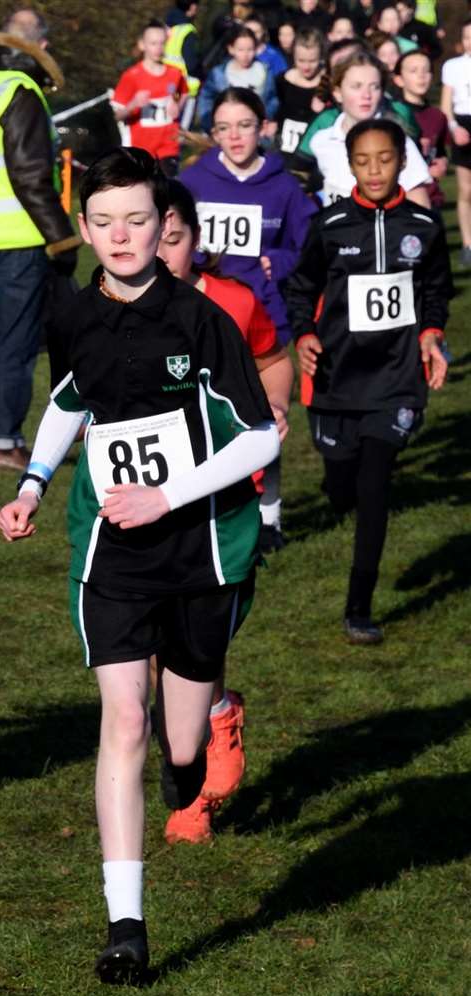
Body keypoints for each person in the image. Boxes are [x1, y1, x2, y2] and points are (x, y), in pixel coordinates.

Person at [0, 148, 279, 982]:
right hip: (109, 549)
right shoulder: (72, 316)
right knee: (123, 717)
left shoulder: (202, 322)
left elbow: (261, 435)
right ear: (85, 229)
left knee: (178, 747)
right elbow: (70, 400)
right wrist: (34, 483)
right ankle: (126, 923)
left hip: (200, 550)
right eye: (105, 220)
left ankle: (194, 753)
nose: (122, 234)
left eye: (139, 219)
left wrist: (169, 495)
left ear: (165, 229)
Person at [157, 178, 293, 842]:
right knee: (155, 650)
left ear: (196, 239)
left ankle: (212, 724)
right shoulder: (112, 310)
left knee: (194, 642)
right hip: (146, 506)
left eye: (173, 239)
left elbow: (272, 356)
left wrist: (277, 408)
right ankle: (194, 765)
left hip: (221, 508)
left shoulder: (233, 302)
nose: (159, 254)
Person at [286, 118, 452, 642]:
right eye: (363, 161)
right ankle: (339, 481)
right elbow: (299, 289)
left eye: (384, 159)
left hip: (397, 378)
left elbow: (435, 292)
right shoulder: (329, 225)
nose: (374, 170)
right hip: (337, 378)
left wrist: (430, 333)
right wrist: (305, 335)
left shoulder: (424, 227)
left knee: (375, 484)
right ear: (349, 166)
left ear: (402, 161)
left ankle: (359, 607)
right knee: (343, 486)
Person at [180, 86, 318, 548]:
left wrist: (276, 262)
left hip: (264, 317)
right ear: (212, 132)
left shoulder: (283, 186)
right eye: (223, 127)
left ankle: (269, 518)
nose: (235, 136)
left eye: (244, 125)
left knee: (266, 417)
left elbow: (308, 244)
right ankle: (207, 510)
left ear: (264, 128)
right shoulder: (195, 182)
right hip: (204, 318)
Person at [0, 7, 76, 472]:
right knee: (15, 343)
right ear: (39, 48)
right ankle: (5, 442)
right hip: (21, 237)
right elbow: (31, 177)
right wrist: (62, 238)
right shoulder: (21, 93)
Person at [290, 50, 431, 201]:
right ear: (337, 92)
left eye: (374, 87)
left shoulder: (398, 141)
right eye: (356, 86)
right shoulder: (322, 141)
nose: (366, 95)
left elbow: (420, 205)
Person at [111, 19, 189, 174]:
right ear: (142, 45)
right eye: (153, 43)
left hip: (168, 146)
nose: (158, 49)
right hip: (142, 147)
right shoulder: (131, 76)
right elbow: (117, 116)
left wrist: (177, 106)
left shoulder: (175, 73)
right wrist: (133, 104)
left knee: (168, 190)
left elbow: (184, 93)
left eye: (162, 43)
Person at [197, 25, 279, 131]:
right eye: (241, 50)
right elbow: (206, 98)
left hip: (255, 131)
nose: (246, 55)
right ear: (231, 49)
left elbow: (272, 99)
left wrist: (266, 118)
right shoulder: (219, 74)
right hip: (226, 131)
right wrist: (209, 122)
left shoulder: (265, 71)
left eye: (250, 49)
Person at [393, 48, 448, 207]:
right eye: (413, 71)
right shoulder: (392, 114)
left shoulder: (437, 116)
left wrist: (442, 163)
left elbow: (440, 151)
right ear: (399, 79)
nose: (421, 75)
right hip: (401, 201)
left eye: (426, 70)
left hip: (432, 199)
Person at [441, 19, 471, 266]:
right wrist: (454, 128)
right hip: (463, 126)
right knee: (466, 190)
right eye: (467, 37)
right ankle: (467, 244)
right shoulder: (452, 66)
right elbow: (445, 105)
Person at [275, 26, 329, 155]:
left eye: (312, 61)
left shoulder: (328, 82)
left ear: (321, 57)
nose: (306, 66)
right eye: (301, 61)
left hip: (315, 149)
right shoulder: (283, 80)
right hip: (285, 147)